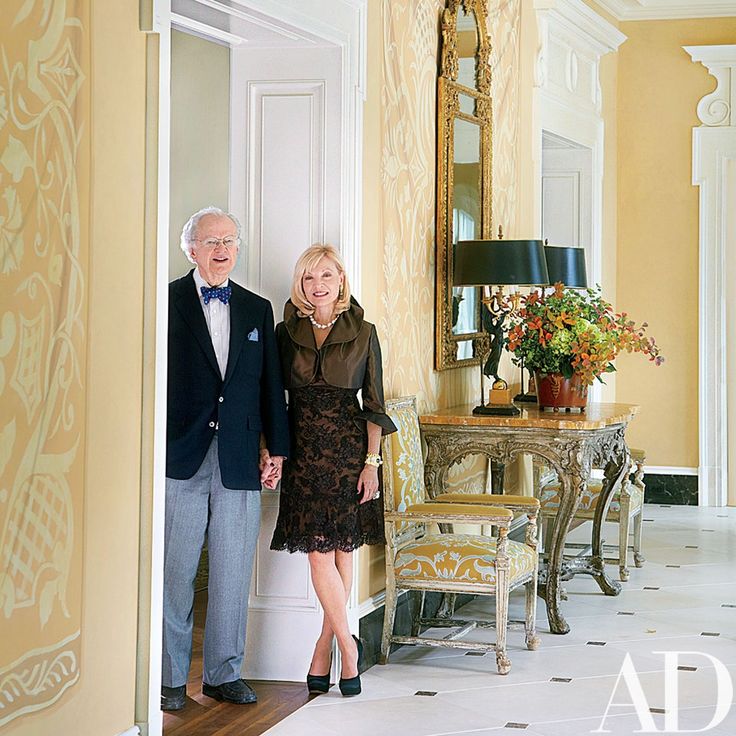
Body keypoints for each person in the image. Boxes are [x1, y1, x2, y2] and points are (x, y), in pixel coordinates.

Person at [162, 206, 289, 712]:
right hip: (180, 454)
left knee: (234, 569)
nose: (222, 249)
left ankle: (222, 674)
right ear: (190, 248)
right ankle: (170, 678)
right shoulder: (165, 300)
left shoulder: (259, 309)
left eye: (230, 241)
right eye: (212, 241)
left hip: (240, 454)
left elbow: (270, 385)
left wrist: (275, 448)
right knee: (176, 570)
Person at [270, 244, 396, 697]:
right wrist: (273, 452)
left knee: (342, 553)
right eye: (309, 278)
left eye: (326, 276)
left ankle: (325, 647)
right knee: (321, 554)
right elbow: (273, 399)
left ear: (341, 279)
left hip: (347, 456)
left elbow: (374, 406)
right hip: (302, 456)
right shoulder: (285, 333)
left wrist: (371, 463)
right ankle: (348, 644)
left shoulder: (364, 332)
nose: (317, 285)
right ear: (300, 285)